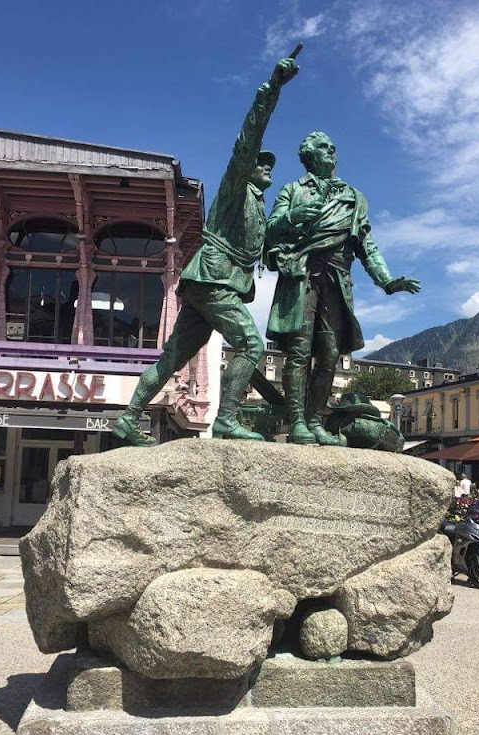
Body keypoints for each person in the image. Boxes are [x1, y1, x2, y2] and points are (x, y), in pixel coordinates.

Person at [112, 57, 300, 446]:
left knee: (172, 358)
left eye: (269, 166)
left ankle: (128, 419)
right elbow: (247, 139)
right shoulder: (235, 190)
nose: (267, 169)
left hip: (211, 283)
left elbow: (260, 252)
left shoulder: (257, 209)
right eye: (262, 165)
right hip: (214, 278)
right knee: (250, 344)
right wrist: (273, 88)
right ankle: (228, 420)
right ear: (247, 169)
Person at [264, 131, 420, 445]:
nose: (332, 150)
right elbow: (269, 232)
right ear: (309, 155)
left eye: (334, 147)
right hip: (302, 277)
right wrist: (293, 217)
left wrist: (386, 280)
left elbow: (367, 246)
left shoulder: (353, 197)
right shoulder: (292, 191)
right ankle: (295, 422)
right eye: (324, 147)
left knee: (329, 355)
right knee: (298, 352)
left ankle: (314, 421)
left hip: (336, 281)